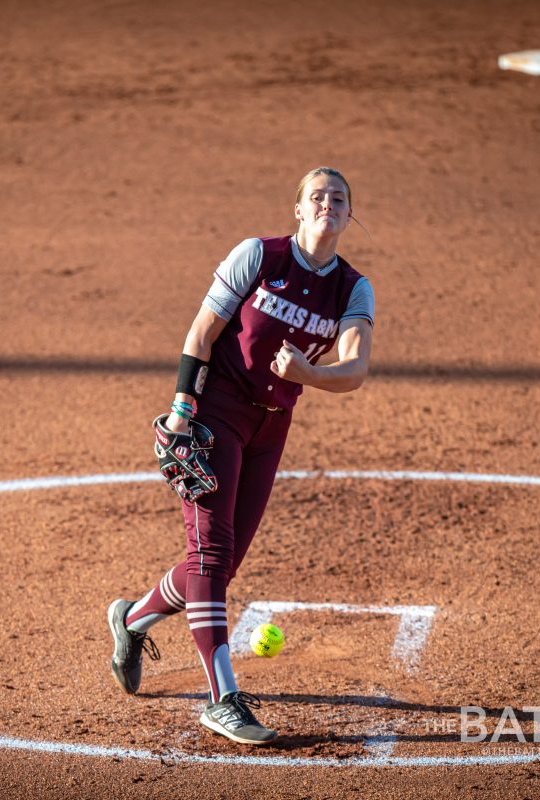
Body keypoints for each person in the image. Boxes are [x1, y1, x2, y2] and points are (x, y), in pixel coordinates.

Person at [107, 167, 374, 745]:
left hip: (270, 429)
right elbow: (203, 331)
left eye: (340, 199)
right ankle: (223, 698)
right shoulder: (258, 256)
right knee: (211, 552)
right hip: (214, 415)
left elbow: (354, 370)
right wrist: (181, 408)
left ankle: (131, 620)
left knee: (220, 564)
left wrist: (310, 374)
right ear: (299, 209)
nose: (329, 204)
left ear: (350, 215)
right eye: (318, 197)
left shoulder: (353, 288)